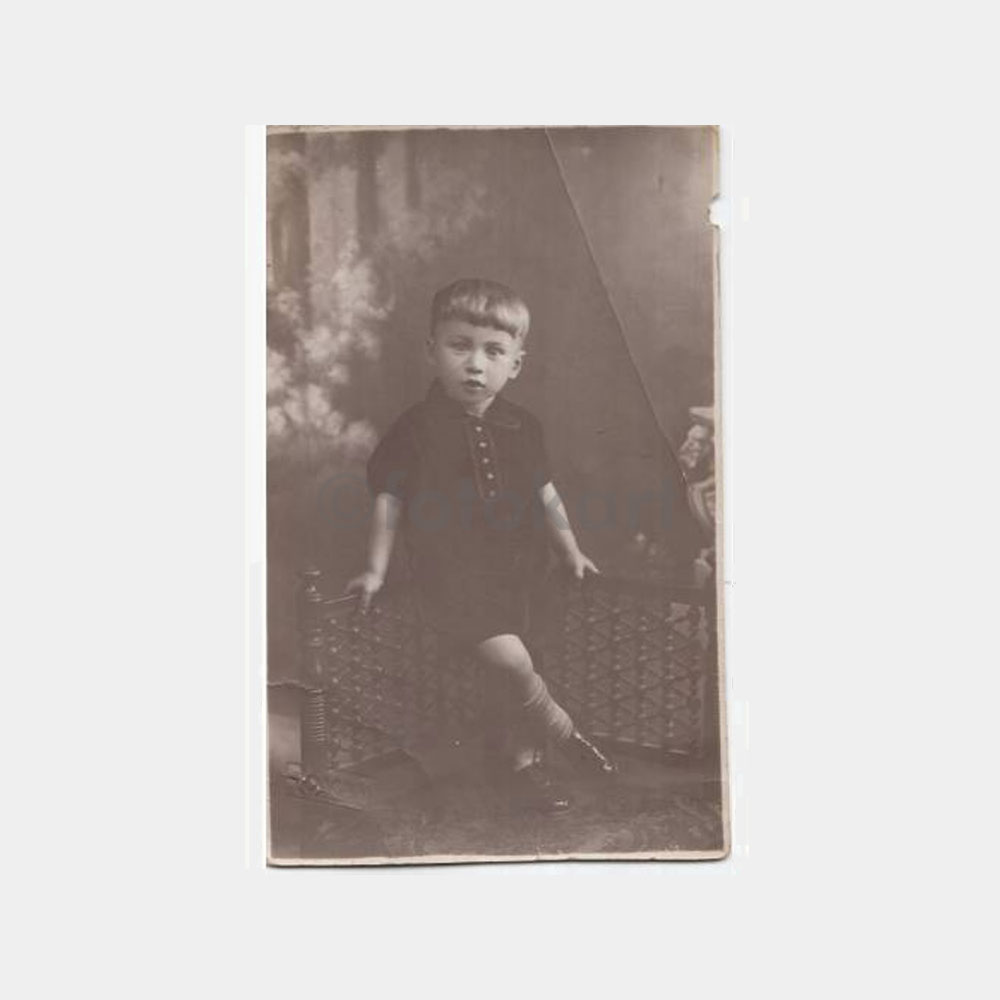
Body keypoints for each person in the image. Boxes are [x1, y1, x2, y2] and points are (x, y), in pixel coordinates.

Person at [346, 278, 615, 812]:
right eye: (459, 346)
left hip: (521, 571)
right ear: (432, 350)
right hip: (451, 576)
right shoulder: (415, 429)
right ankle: (567, 732)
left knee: (525, 663)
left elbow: (546, 494)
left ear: (516, 364)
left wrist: (570, 550)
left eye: (493, 351)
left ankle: (526, 768)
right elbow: (389, 501)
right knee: (511, 661)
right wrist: (374, 570)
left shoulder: (523, 426)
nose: (475, 364)